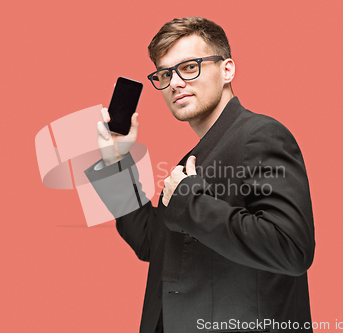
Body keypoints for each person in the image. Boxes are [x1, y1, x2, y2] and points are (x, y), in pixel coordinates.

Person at [85, 17, 315, 333]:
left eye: (189, 67)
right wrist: (115, 162)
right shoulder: (194, 160)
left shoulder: (261, 136)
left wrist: (190, 200)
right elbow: (152, 243)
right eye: (165, 74)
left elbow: (291, 248)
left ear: (227, 70)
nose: (175, 82)